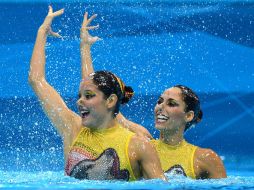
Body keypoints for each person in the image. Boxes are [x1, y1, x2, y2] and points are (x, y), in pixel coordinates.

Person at [81, 13, 227, 179]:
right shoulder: (143, 142)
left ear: (189, 115)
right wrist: (84, 47)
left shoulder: (205, 158)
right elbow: (95, 94)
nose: (160, 107)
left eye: (171, 104)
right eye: (159, 101)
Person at [28, 6, 166, 181]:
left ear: (111, 101)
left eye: (88, 96)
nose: (79, 102)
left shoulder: (138, 144)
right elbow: (36, 80)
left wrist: (84, 48)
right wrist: (42, 33)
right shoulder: (72, 128)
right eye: (79, 96)